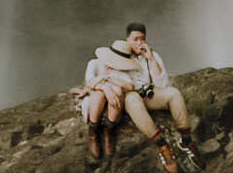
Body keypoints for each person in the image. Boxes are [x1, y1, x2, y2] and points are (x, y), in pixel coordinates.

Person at [74, 23, 194, 170]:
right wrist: (91, 87)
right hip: (128, 97)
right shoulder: (120, 57)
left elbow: (162, 84)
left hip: (148, 94)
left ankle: (187, 141)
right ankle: (162, 146)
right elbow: (99, 80)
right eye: (135, 39)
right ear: (127, 40)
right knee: (129, 98)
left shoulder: (147, 56)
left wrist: (151, 59)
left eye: (143, 39)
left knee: (173, 93)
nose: (140, 42)